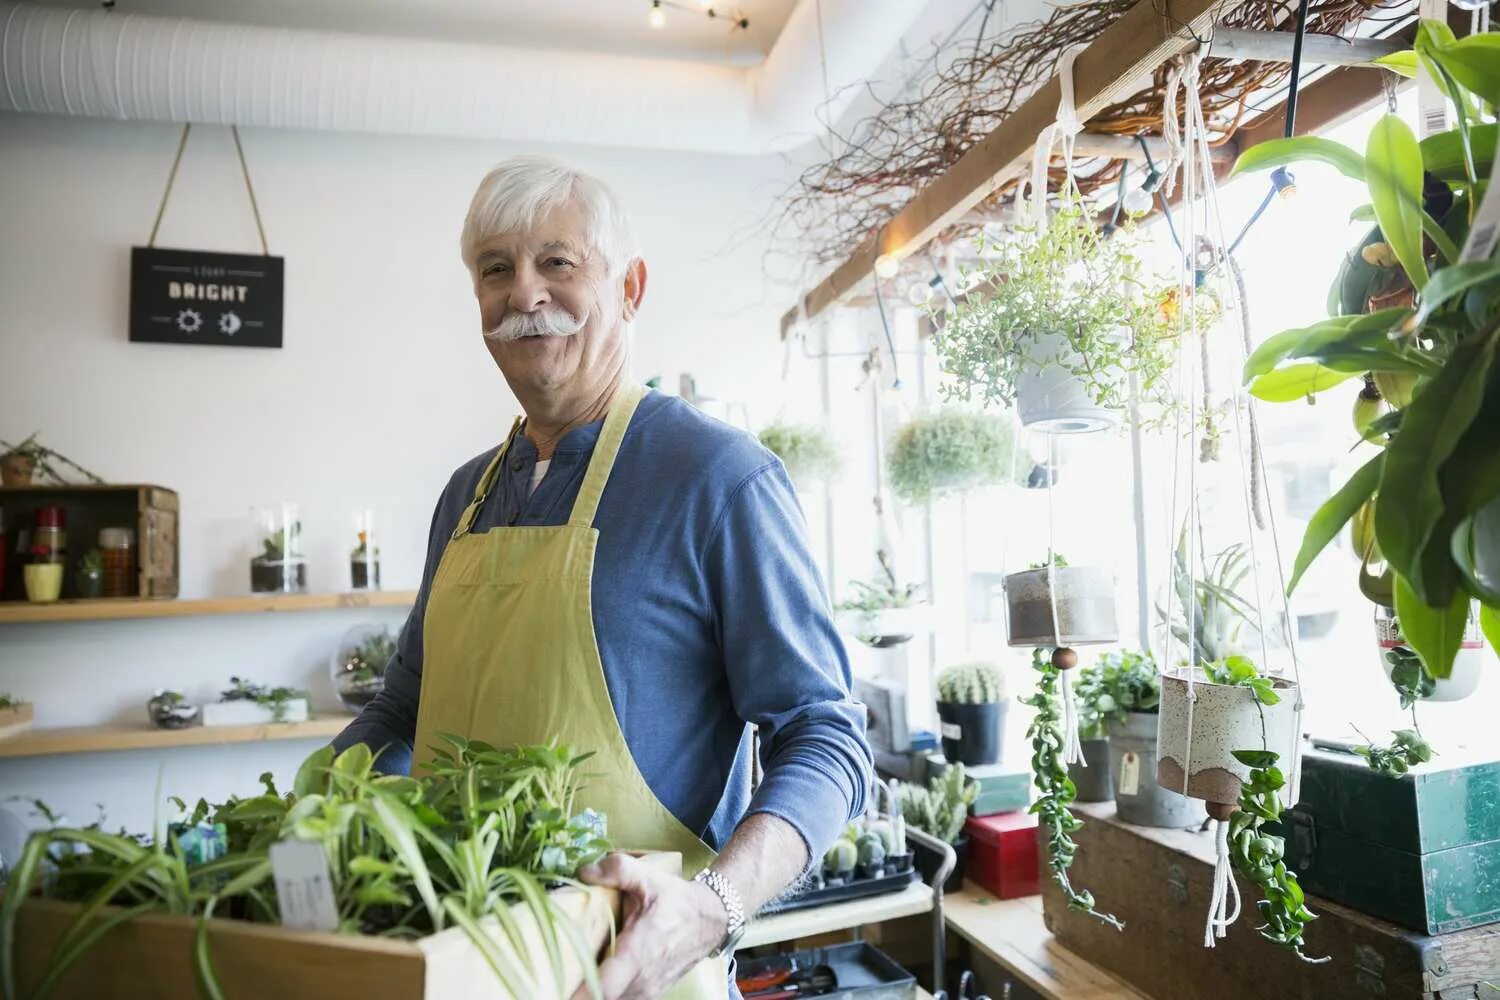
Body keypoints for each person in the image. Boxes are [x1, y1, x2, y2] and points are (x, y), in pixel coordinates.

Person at [333, 155, 872, 1000]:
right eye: (496, 270)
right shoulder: (465, 497)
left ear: (630, 287)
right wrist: (297, 818)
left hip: (639, 979)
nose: (524, 294)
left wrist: (710, 907)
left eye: (558, 262)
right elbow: (404, 709)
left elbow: (828, 738)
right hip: (458, 966)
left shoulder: (719, 479)